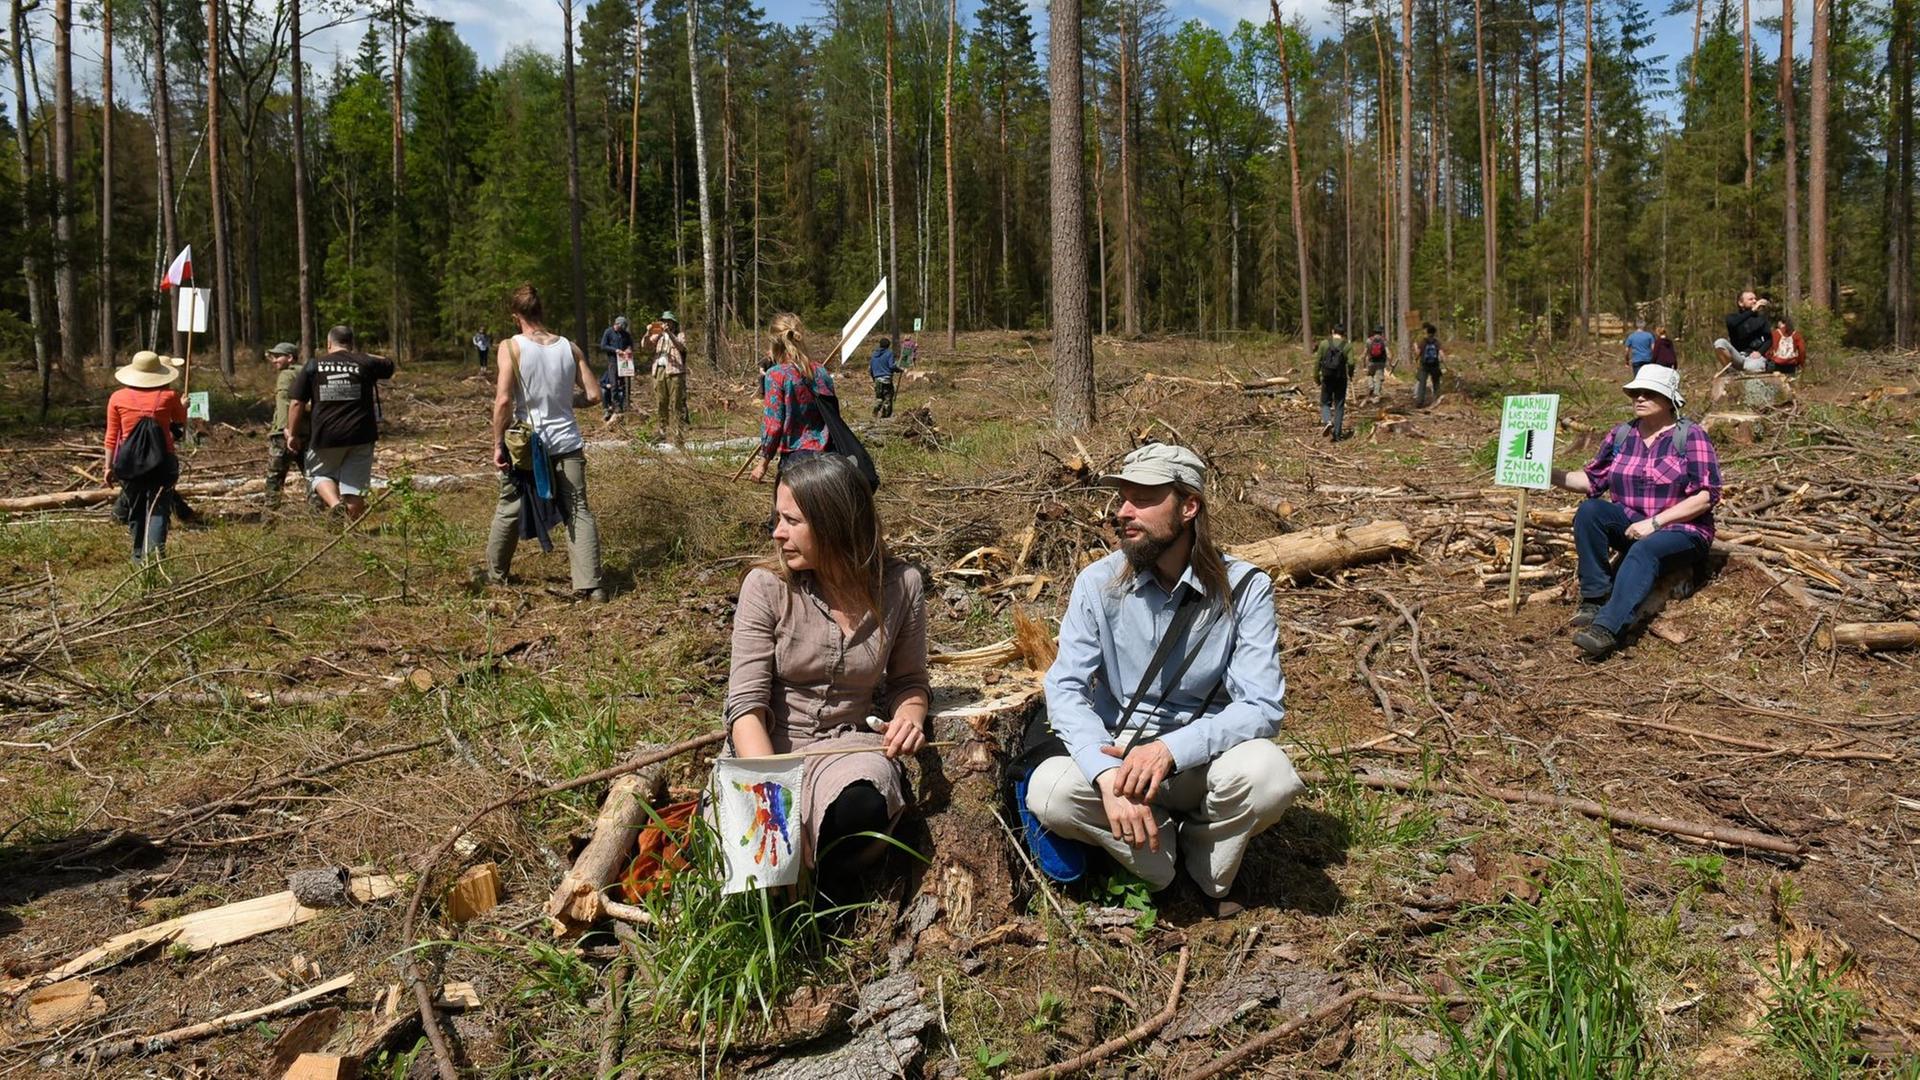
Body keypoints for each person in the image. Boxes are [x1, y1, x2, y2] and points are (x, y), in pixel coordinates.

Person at [1025, 445, 1302, 917]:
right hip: (1120, 758)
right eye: (1122, 498)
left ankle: (1205, 858)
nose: (1123, 511)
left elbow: (1261, 706)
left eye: (1143, 498)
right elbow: (1066, 687)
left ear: (1188, 507)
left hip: (1201, 760)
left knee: (1270, 774)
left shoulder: (1244, 588)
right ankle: (1162, 867)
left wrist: (1173, 750)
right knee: (1048, 791)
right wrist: (1105, 774)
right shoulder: (1097, 584)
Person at [724, 453, 929, 881]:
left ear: (834, 522)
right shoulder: (766, 588)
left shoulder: (900, 586)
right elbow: (746, 706)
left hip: (845, 746)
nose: (777, 534)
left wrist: (910, 717)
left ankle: (830, 893)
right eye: (776, 519)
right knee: (764, 840)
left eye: (791, 521)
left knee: (861, 806)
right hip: (769, 748)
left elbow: (908, 681)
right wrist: (772, 794)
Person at [1550, 365, 1722, 660]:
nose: (1640, 398)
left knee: (1645, 549)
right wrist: (1546, 474)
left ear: (1670, 400)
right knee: (1591, 511)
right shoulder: (1621, 435)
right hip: (1633, 523)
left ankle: (1606, 629)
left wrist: (1655, 523)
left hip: (1682, 531)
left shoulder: (1690, 436)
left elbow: (1706, 496)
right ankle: (1594, 597)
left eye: (1650, 393)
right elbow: (1591, 480)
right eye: (1635, 393)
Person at [486, 285, 606, 601]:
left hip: (527, 446)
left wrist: (498, 443)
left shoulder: (511, 347)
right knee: (578, 510)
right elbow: (594, 395)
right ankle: (591, 585)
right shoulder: (569, 347)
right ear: (542, 312)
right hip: (568, 442)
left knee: (510, 506)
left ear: (517, 317)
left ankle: (495, 575)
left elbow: (503, 401)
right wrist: (565, 402)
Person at [287, 325, 395, 523]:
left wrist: (292, 434)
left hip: (326, 434)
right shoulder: (365, 362)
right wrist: (361, 356)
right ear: (351, 343)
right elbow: (388, 364)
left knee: (318, 474)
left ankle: (335, 504)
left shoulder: (313, 365)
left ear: (328, 344)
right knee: (354, 486)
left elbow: (296, 403)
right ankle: (350, 531)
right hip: (361, 434)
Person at [105, 351, 189, 562]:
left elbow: (112, 436)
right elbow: (180, 424)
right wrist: (183, 406)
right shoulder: (169, 397)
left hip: (130, 463)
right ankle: (156, 559)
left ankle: (137, 558)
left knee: (136, 510)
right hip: (163, 462)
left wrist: (108, 466)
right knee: (159, 510)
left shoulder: (118, 398)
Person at [748, 312, 835, 488]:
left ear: (774, 344)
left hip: (796, 460)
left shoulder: (776, 374)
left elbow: (773, 425)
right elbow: (833, 413)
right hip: (827, 457)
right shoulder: (821, 372)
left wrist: (763, 463)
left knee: (787, 513)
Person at [643, 311, 689, 446]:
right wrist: (648, 333)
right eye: (664, 321)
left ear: (673, 323)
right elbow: (645, 346)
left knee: (676, 403)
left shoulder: (679, 335)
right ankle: (662, 431)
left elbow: (681, 347)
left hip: (675, 372)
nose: (666, 323)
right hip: (659, 370)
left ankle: (678, 434)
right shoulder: (658, 336)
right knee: (661, 402)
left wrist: (669, 333)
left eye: (668, 321)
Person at [264, 341, 301, 508]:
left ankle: (268, 522)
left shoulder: (286, 375)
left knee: (274, 479)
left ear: (290, 358)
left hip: (284, 435)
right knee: (313, 477)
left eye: (278, 356)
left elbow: (285, 402)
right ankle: (319, 516)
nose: (274, 360)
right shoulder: (305, 373)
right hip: (306, 432)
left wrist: (287, 429)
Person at [1713, 290, 1773, 372]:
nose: (1755, 301)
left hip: (1754, 358)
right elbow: (1733, 324)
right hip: (1738, 356)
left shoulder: (1761, 319)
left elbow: (1769, 339)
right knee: (1719, 343)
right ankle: (1730, 371)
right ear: (1740, 303)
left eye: (1755, 299)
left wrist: (1759, 352)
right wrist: (1752, 311)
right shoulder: (1733, 317)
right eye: (1750, 299)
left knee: (1751, 367)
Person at [1313, 327, 1353, 441]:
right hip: (1341, 378)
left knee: (1325, 402)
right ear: (1343, 334)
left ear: (1332, 331)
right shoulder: (1347, 345)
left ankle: (1327, 420)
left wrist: (1316, 377)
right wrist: (1350, 374)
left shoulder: (1324, 344)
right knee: (1339, 405)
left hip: (1327, 377)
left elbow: (1317, 361)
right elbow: (1351, 363)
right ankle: (1337, 434)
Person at [598, 315, 635, 421]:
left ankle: (625, 404)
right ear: (616, 323)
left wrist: (628, 349)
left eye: (623, 327)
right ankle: (616, 406)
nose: (621, 328)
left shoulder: (625, 334)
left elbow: (630, 345)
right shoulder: (608, 332)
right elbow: (603, 346)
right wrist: (615, 350)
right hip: (613, 361)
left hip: (625, 361)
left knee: (624, 384)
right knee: (613, 384)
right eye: (620, 326)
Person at [1413, 323, 1445, 408]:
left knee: (1422, 383)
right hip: (1435, 365)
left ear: (1427, 332)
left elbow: (1418, 353)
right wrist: (1443, 362)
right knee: (1436, 383)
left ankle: (1419, 402)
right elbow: (1441, 354)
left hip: (1424, 366)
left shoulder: (1423, 341)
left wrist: (1415, 348)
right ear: (1434, 333)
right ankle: (1437, 400)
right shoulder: (1437, 342)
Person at [869, 336, 901, 418]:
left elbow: (871, 369)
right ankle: (885, 415)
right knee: (888, 397)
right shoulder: (889, 353)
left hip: (877, 379)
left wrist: (874, 378)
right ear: (888, 345)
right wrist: (899, 369)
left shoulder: (874, 355)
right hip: (886, 379)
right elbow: (891, 366)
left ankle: (875, 410)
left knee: (879, 397)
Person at [1363, 325, 1391, 401]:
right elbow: (1388, 353)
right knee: (1378, 378)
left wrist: (1364, 365)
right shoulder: (1384, 341)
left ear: (1373, 332)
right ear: (1381, 332)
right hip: (1381, 363)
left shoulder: (1369, 340)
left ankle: (1371, 385)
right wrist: (1390, 362)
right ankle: (1376, 394)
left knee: (1369, 375)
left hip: (1371, 362)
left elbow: (1365, 353)